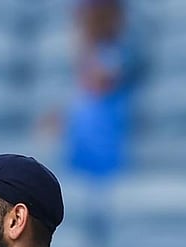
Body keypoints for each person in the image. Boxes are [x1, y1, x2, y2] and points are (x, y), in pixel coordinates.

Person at [64, 0, 136, 177]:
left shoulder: (116, 52)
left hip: (107, 122)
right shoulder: (89, 49)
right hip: (87, 124)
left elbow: (101, 82)